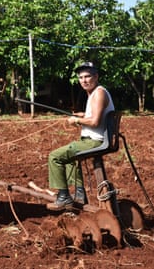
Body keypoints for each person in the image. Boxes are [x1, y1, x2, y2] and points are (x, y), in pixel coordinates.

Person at [46, 62, 115, 211]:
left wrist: (77, 120)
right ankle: (79, 194)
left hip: (95, 141)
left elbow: (95, 122)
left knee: (54, 157)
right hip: (95, 140)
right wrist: (84, 115)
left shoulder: (99, 93)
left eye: (87, 76)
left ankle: (63, 197)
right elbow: (96, 115)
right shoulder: (95, 93)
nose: (84, 80)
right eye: (81, 77)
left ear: (96, 77)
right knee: (71, 159)